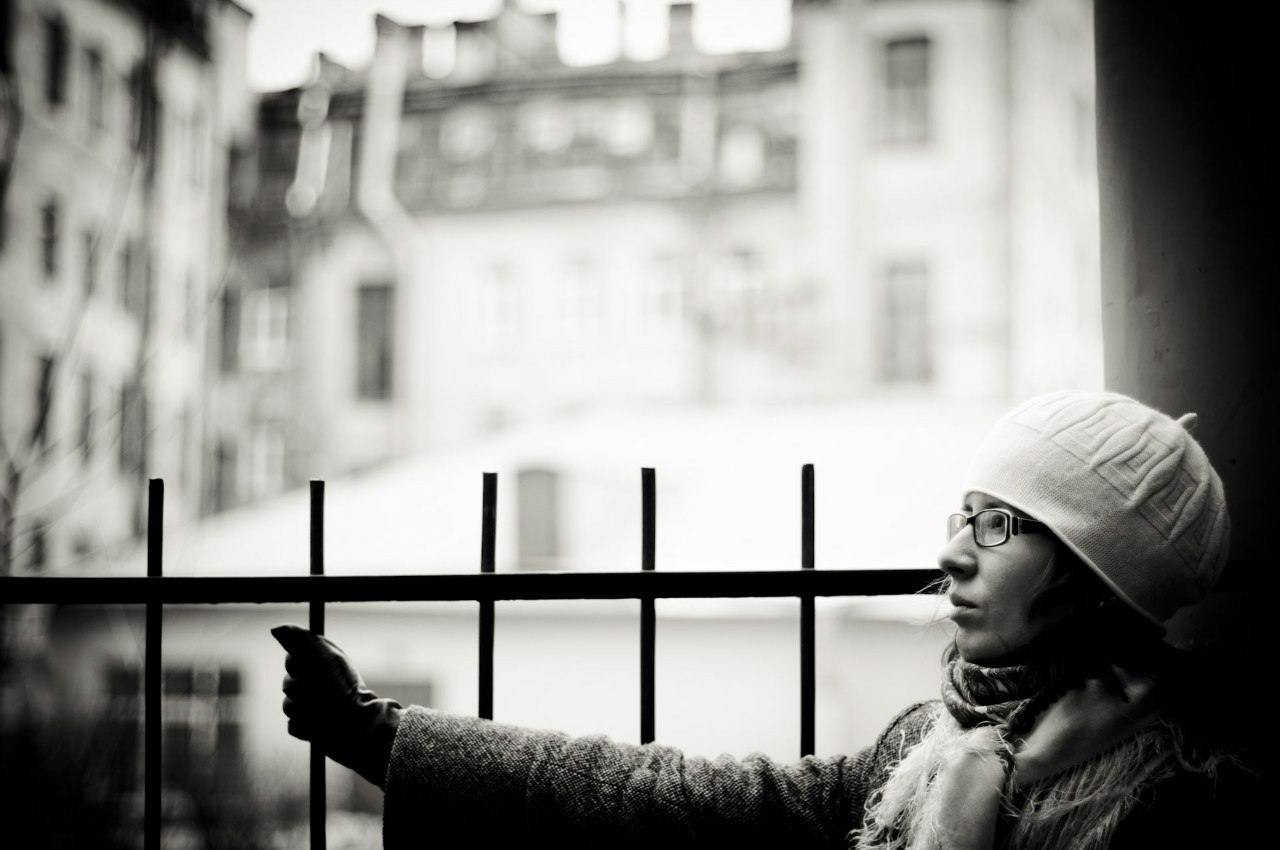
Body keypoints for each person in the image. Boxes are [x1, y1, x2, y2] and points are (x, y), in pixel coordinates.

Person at [272, 390, 1266, 848]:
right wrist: (374, 731)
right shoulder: (924, 753)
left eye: (998, 525)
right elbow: (664, 799)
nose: (951, 553)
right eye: (960, 516)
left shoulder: (1184, 796)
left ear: (1095, 574)